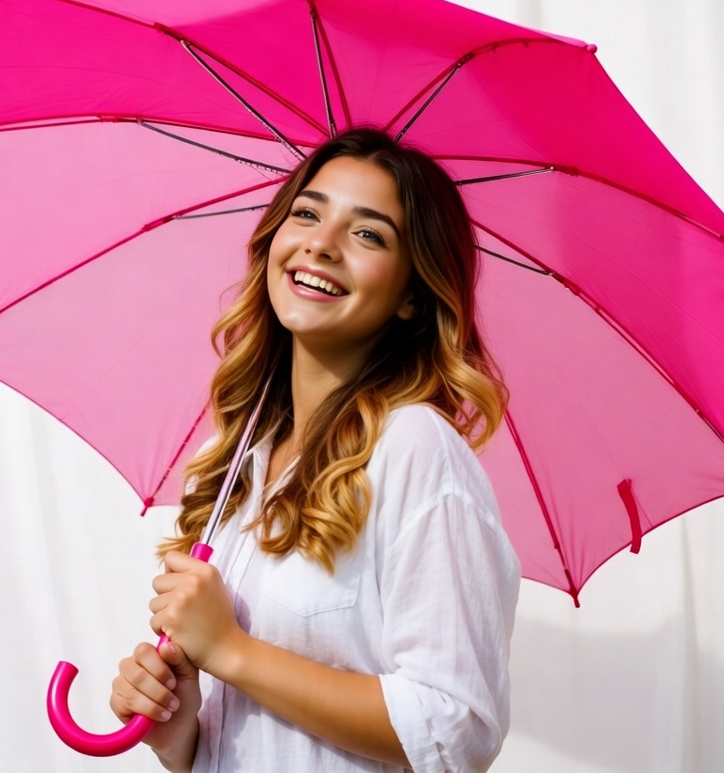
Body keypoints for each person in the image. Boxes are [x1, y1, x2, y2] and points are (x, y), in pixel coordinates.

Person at [110, 128, 520, 772]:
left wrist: (230, 650)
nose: (321, 245)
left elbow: (454, 730)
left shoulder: (413, 449)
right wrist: (182, 728)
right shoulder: (242, 458)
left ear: (413, 294)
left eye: (368, 234)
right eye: (307, 213)